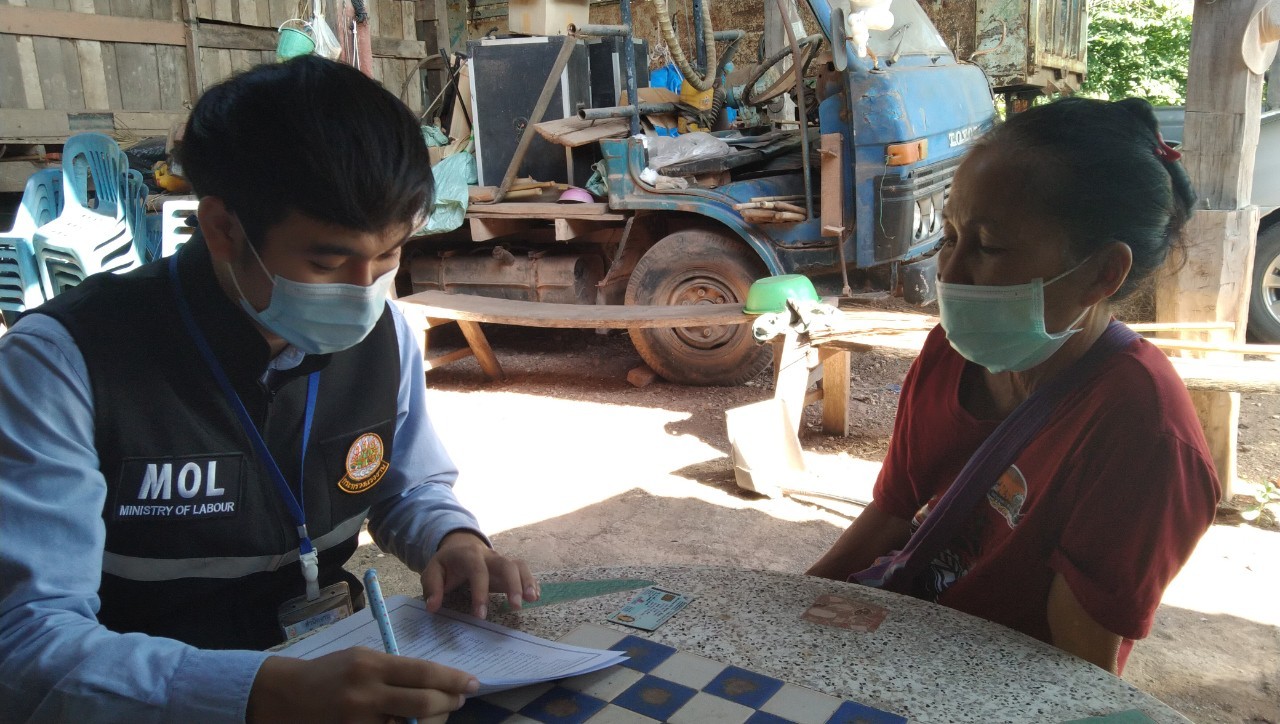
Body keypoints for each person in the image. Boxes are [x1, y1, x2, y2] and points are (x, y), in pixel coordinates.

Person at [0, 57, 538, 723]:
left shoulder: (385, 336)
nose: (363, 290)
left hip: (327, 672)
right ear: (223, 229)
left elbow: (406, 485)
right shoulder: (64, 365)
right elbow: (30, 644)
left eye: (390, 255)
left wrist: (450, 539)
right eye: (326, 261)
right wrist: (260, 692)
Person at [807, 97, 1221, 674]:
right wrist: (784, 615)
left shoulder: (1144, 433)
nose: (950, 274)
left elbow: (1077, 669)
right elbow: (891, 514)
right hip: (901, 648)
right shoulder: (951, 351)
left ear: (1103, 273)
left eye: (989, 247)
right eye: (949, 237)